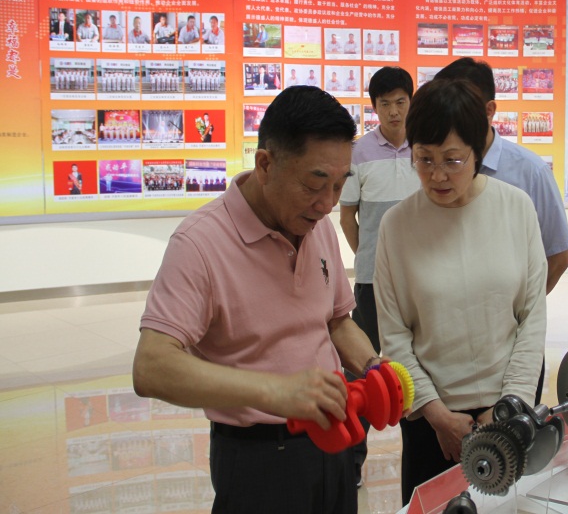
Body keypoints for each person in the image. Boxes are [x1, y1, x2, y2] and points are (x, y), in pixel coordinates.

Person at [132, 86, 381, 513]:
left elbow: (338, 322)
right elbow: (151, 366)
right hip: (259, 457)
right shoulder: (200, 243)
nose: (327, 204)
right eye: (314, 184)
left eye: (340, 186)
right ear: (265, 164)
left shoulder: (316, 225)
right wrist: (275, 391)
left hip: (334, 442)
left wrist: (375, 368)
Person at [375, 78, 547, 505]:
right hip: (432, 421)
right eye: (424, 159)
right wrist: (436, 415)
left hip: (506, 413)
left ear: (478, 152)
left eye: (453, 160)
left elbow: (532, 318)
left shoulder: (516, 208)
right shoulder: (397, 226)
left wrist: (510, 403)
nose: (437, 175)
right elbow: (394, 335)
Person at [433, 58, 568, 404]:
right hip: (442, 352)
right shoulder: (431, 171)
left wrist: (517, 314)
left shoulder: (529, 172)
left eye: (464, 106)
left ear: (490, 110)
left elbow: (557, 257)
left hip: (512, 351)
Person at [339, 67, 419, 484]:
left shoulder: (424, 146)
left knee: (416, 367)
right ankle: (351, 459)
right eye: (384, 103)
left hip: (420, 281)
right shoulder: (359, 152)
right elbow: (347, 216)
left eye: (400, 101)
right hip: (371, 282)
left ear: (411, 102)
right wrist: (368, 258)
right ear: (374, 107)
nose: (393, 111)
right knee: (363, 369)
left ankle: (421, 457)